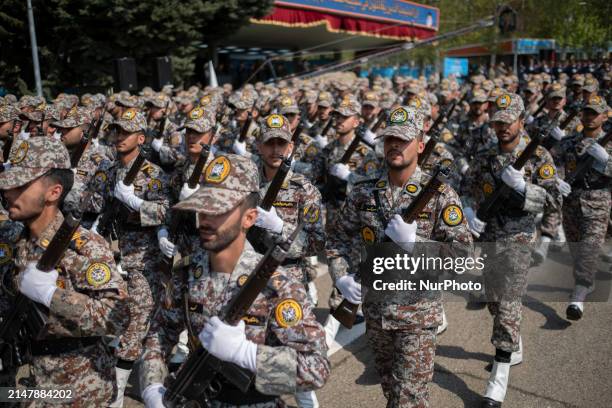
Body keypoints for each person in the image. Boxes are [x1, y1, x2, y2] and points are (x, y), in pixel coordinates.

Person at [139, 154, 330, 407]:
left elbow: (316, 369)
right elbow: (159, 333)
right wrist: (151, 386)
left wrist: (248, 355)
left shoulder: (276, 284)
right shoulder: (187, 273)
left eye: (219, 210)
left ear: (249, 218)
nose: (205, 219)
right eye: (202, 208)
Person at [326, 105, 473, 407]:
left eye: (403, 139)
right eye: (390, 138)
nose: (395, 145)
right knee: (393, 394)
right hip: (376, 315)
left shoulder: (440, 194)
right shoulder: (364, 192)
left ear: (420, 144)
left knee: (408, 400)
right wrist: (340, 276)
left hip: (417, 316)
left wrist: (415, 244)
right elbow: (336, 238)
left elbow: (462, 255)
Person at [0, 137, 129, 405]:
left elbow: (116, 317)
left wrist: (51, 295)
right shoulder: (11, 237)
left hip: (77, 388)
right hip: (26, 379)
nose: (7, 192)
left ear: (54, 192)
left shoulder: (83, 247)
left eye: (20, 185)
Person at [461, 93, 561, 407]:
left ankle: (498, 381)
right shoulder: (486, 155)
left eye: (508, 120)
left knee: (507, 303)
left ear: (521, 121)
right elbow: (467, 187)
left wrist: (523, 188)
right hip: (489, 237)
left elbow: (554, 200)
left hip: (518, 238)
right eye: (498, 121)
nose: (502, 127)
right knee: (492, 299)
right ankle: (513, 345)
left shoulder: (539, 155)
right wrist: (467, 212)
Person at [81, 107, 171, 407]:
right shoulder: (106, 170)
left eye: (126, 132)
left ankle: (118, 390)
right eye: (116, 131)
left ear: (141, 138)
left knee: (139, 315)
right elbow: (90, 207)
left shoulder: (152, 173)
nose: (119, 137)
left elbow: (164, 211)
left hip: (143, 257)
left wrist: (134, 202)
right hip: (108, 255)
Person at [555, 95, 611, 320]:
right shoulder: (569, 141)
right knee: (577, 249)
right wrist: (557, 180)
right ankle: (586, 281)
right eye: (586, 112)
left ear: (605, 116)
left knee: (589, 248)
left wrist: (607, 160)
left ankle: (578, 296)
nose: (589, 117)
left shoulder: (608, 143)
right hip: (571, 202)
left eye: (594, 113)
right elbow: (553, 164)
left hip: (598, 202)